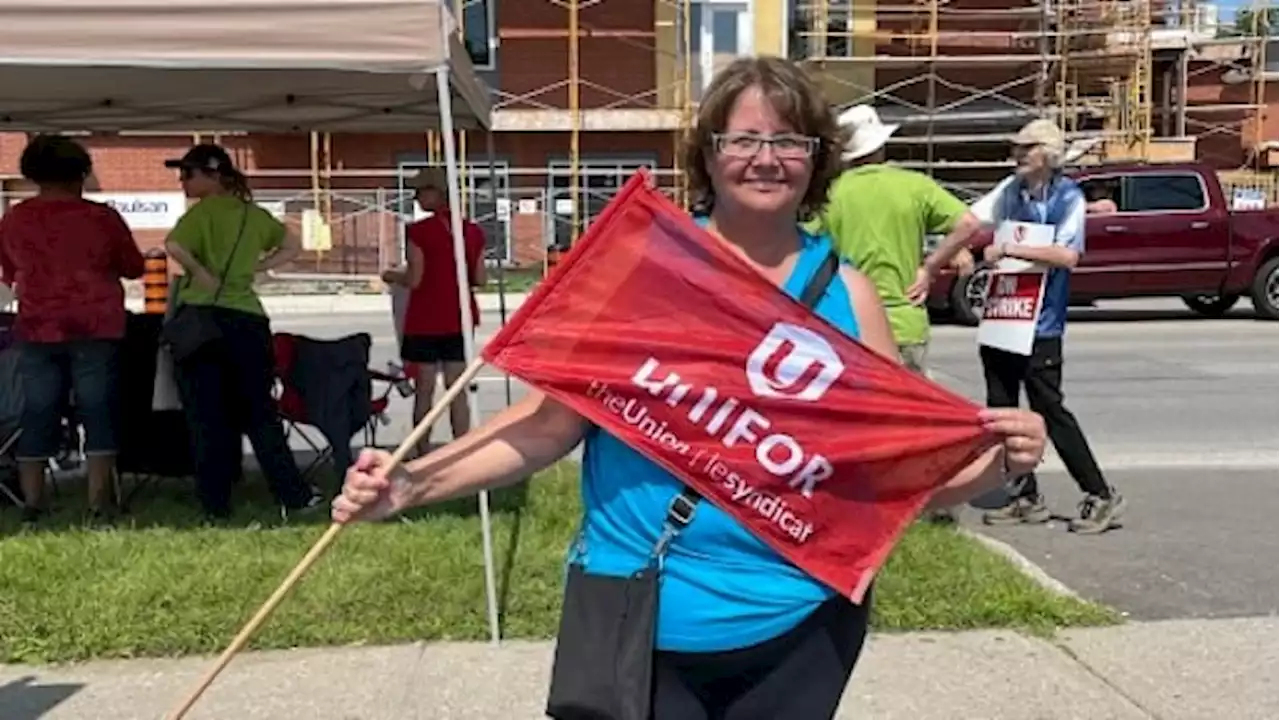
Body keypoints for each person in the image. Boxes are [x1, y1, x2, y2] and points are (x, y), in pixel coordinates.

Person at [334, 56, 1048, 718]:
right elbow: (549, 426)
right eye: (743, 140)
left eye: (789, 140)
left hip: (799, 629)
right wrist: (411, 485)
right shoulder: (641, 272)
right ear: (708, 154)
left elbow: (878, 482)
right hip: (639, 617)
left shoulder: (851, 299)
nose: (766, 158)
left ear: (816, 159)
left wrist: (995, 465)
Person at [933, 119, 1124, 534]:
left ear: (1049, 154)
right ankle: (1025, 493)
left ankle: (1100, 494)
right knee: (1002, 412)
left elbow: (1068, 255)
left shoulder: (1067, 196)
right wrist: (958, 248)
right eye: (1016, 147)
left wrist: (1009, 248)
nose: (1018, 154)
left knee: (1050, 411)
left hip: (1042, 324)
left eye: (1027, 147)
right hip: (1004, 315)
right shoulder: (1010, 191)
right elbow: (971, 219)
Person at [814, 104, 984, 524]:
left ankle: (868, 501)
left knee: (858, 423)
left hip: (850, 324)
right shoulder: (913, 186)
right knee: (916, 420)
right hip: (905, 319)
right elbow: (968, 222)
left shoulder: (833, 196)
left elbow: (807, 248)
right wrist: (929, 266)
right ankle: (936, 502)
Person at [162, 143, 322, 521]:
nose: (182, 181)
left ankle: (215, 503)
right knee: (259, 413)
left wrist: (200, 273)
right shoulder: (255, 216)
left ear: (212, 175)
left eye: (188, 173)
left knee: (206, 417)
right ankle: (292, 494)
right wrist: (261, 267)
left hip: (202, 319)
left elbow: (172, 245)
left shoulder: (201, 215)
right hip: (247, 319)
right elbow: (292, 245)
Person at [0, 134, 146, 525]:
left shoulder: (15, 218)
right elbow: (134, 266)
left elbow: (9, 272)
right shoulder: (101, 218)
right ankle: (99, 502)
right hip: (96, 324)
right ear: (81, 173)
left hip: (37, 325)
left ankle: (33, 502)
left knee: (37, 411)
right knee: (97, 410)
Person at [382, 168, 486, 458]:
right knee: (457, 390)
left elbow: (415, 279)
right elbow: (480, 278)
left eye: (421, 190)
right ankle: (462, 451)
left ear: (437, 192)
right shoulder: (473, 231)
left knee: (424, 390)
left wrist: (391, 275)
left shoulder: (418, 231)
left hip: (425, 320)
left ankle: (423, 452)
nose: (415, 196)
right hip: (459, 317)